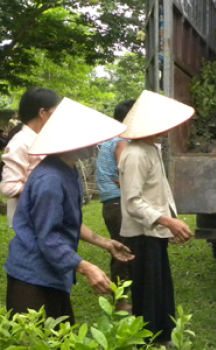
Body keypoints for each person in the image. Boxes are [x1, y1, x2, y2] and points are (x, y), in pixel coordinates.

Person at [4, 97, 133, 324]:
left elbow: (67, 220)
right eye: (90, 141)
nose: (95, 147)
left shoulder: (68, 170)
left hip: (52, 274)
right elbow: (48, 237)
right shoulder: (50, 180)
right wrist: (85, 267)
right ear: (72, 141)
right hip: (33, 278)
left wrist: (105, 242)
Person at [118, 90, 194, 347]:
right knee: (147, 292)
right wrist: (167, 221)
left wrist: (170, 221)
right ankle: (147, 340)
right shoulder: (136, 154)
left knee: (160, 287)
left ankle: (163, 335)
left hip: (154, 231)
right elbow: (132, 202)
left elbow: (159, 192)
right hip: (141, 234)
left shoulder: (151, 149)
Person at [95, 99, 135, 312]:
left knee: (121, 250)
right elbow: (124, 168)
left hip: (110, 204)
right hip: (119, 203)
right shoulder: (122, 140)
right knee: (123, 252)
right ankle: (120, 302)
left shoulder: (110, 139)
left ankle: (122, 298)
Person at [1, 88, 60, 228]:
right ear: (42, 113)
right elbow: (9, 187)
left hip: (47, 215)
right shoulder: (20, 143)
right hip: (30, 220)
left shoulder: (43, 139)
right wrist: (45, 187)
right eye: (55, 112)